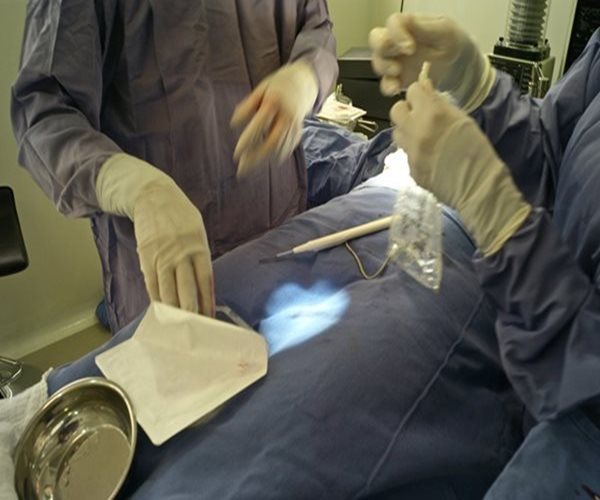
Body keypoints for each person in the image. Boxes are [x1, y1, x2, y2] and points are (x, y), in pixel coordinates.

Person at [370, 12, 600, 497]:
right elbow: (552, 155)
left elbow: (589, 378)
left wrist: (495, 212)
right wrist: (476, 88)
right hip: (544, 388)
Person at [11, 0, 338, 332]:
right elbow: (44, 115)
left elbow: (316, 28)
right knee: (183, 354)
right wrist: (135, 187)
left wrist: (306, 76)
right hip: (163, 257)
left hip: (278, 234)